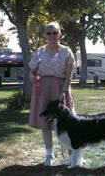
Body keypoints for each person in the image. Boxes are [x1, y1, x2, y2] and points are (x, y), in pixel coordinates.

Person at [28, 22, 75, 166]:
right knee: (45, 124)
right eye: (48, 33)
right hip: (42, 90)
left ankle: (72, 155)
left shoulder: (67, 52)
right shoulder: (39, 52)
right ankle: (49, 155)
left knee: (68, 124)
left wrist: (63, 92)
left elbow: (68, 76)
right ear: (45, 35)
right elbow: (32, 71)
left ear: (60, 34)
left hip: (61, 88)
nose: (52, 36)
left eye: (55, 33)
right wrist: (33, 78)